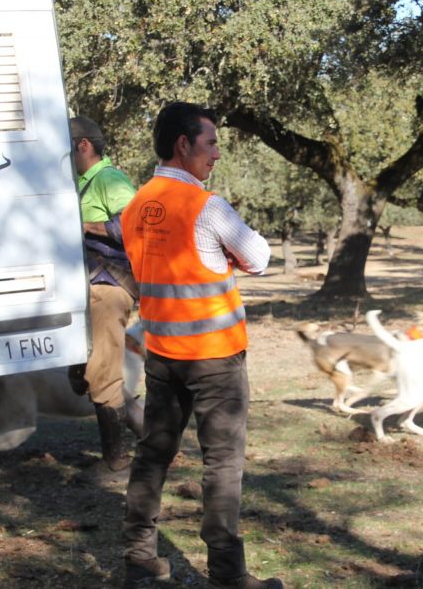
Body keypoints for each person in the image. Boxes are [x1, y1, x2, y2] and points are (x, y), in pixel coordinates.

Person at [119, 103, 280, 589]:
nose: (216, 154)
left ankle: (138, 559)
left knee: (152, 455)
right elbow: (259, 258)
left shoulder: (133, 207)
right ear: (183, 145)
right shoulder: (206, 207)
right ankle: (228, 575)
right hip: (214, 358)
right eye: (210, 143)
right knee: (223, 463)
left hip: (163, 355)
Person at [69, 115, 142, 483]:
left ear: (83, 146)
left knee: (102, 372)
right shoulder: (83, 183)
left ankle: (117, 463)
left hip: (108, 287)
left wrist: (80, 225)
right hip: (92, 288)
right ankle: (154, 439)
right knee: (90, 371)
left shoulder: (109, 179)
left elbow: (136, 223)